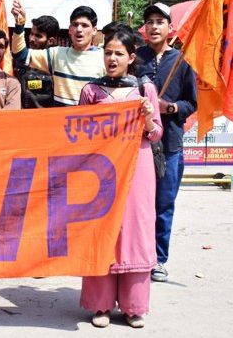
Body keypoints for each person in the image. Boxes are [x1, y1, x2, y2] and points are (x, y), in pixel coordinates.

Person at [79, 28, 163, 329]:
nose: (112, 59)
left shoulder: (144, 89)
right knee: (102, 228)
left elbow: (155, 135)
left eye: (118, 53)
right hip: (100, 169)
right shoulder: (91, 91)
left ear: (131, 57)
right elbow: (77, 133)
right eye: (108, 53)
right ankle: (100, 304)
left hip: (137, 167)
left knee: (135, 230)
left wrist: (149, 116)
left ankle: (133, 305)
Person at [135, 2, 197, 283]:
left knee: (163, 204)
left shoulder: (182, 61)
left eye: (160, 21)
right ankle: (138, 256)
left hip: (170, 145)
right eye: (149, 21)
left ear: (170, 28)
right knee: (138, 204)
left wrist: (169, 108)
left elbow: (191, 103)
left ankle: (158, 259)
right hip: (139, 144)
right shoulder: (136, 59)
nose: (154, 26)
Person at [11, 1, 105, 106]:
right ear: (70, 29)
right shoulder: (56, 55)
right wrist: (20, 24)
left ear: (94, 30)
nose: (79, 29)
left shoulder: (104, 58)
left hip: (88, 121)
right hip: (60, 121)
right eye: (75, 24)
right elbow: (20, 54)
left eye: (84, 25)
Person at [14, 15, 60, 109]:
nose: (31, 39)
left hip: (46, 119)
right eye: (31, 33)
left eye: (38, 36)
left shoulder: (58, 64)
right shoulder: (19, 60)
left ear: (50, 41)